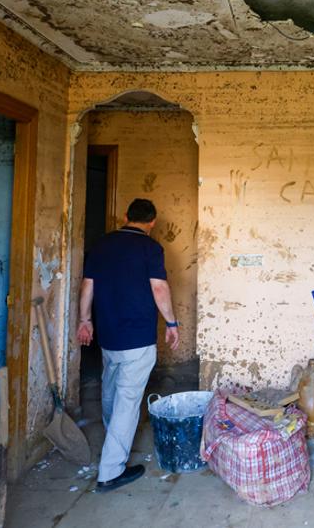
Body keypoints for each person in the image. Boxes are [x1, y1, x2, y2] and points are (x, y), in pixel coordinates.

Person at [77, 198, 180, 492]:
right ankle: (110, 472)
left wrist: (85, 320)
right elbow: (159, 287)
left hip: (109, 336)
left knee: (110, 392)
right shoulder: (150, 248)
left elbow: (88, 285)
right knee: (128, 402)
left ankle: (113, 439)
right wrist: (171, 323)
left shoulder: (102, 245)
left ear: (125, 216)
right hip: (138, 338)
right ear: (152, 222)